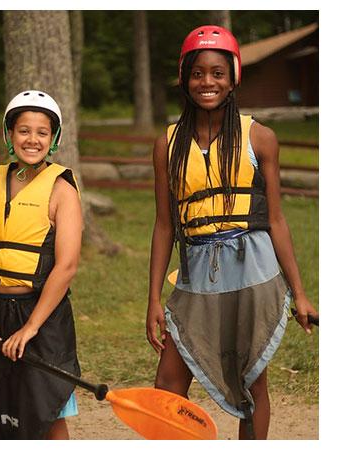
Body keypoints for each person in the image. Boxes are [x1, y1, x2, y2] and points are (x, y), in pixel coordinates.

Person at [146, 25, 318, 440]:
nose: (208, 82)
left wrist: (299, 292)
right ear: (184, 77)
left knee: (253, 381)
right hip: (194, 271)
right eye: (198, 73)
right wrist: (153, 298)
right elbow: (165, 224)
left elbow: (276, 219)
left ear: (234, 76)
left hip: (254, 270)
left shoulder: (261, 137)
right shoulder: (166, 144)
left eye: (218, 73)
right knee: (168, 381)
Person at [0, 90, 83, 440]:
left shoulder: (61, 190)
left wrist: (30, 329)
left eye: (42, 132)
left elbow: (67, 266)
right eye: (24, 130)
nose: (32, 139)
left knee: (46, 411)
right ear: (9, 134)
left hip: (41, 315)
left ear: (54, 138)